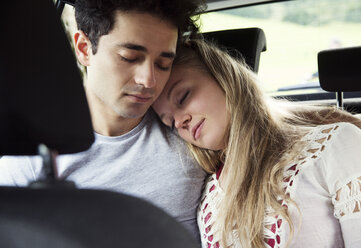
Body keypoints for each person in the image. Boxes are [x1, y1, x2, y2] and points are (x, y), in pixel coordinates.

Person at [0, 0, 207, 241]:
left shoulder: (190, 135)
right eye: (129, 57)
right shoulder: (28, 160)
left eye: (163, 64)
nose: (148, 81)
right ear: (84, 48)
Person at [152, 39, 361, 248]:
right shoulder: (208, 199)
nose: (180, 121)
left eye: (182, 97)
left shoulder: (337, 145)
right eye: (170, 123)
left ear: (221, 75)